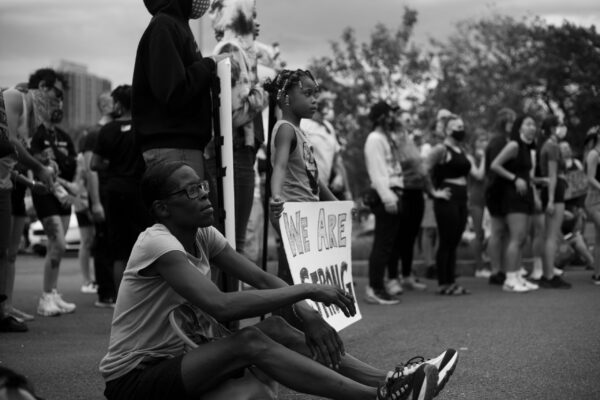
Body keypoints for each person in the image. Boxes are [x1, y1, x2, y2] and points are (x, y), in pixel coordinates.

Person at [99, 160, 459, 400]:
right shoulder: (157, 242)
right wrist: (309, 288)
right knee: (250, 340)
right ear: (163, 208)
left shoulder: (203, 235)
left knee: (275, 328)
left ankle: (390, 382)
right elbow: (220, 304)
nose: (205, 195)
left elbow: (259, 276)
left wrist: (306, 312)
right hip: (136, 379)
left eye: (204, 186)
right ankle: (379, 399)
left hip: (182, 360)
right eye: (191, 192)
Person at [265, 69, 339, 324]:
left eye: (315, 94)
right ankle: (283, 327)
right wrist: (276, 197)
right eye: (307, 94)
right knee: (290, 276)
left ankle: (300, 326)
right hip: (292, 212)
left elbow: (314, 177)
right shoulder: (285, 129)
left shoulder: (300, 132)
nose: (314, 100)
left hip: (307, 213)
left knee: (304, 274)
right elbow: (280, 166)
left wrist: (336, 203)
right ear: (286, 97)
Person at [133, 0, 229, 179]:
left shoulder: (174, 25)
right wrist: (209, 64)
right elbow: (174, 91)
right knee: (189, 207)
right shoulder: (165, 26)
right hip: (175, 149)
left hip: (180, 148)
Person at [0, 70, 57, 331]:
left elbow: (10, 162)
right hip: (3, 186)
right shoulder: (14, 97)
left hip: (6, 184)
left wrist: (32, 180)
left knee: (5, 253)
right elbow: (10, 143)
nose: (57, 102)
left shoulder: (32, 117)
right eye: (54, 94)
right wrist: (41, 169)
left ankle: (4, 309)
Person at [91, 85, 150, 290]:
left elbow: (94, 164)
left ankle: (120, 305)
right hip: (140, 192)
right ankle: (145, 299)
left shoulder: (107, 129)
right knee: (147, 246)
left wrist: (113, 164)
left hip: (115, 192)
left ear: (118, 103)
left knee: (120, 252)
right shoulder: (144, 128)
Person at [29, 88, 79, 316]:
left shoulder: (63, 136)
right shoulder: (36, 135)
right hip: (46, 194)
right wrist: (66, 186)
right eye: (52, 101)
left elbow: (74, 164)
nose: (57, 105)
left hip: (65, 197)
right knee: (58, 243)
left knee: (57, 248)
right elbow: (40, 168)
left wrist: (73, 187)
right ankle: (45, 297)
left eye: (60, 100)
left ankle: (53, 293)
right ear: (41, 106)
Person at [426, 113, 484, 295]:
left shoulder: (462, 151)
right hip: (446, 199)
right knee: (446, 240)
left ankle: (452, 282)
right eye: (457, 127)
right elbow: (423, 170)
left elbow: (477, 175)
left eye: (462, 127)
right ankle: (443, 283)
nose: (461, 130)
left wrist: (484, 157)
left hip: (461, 199)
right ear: (447, 130)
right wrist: (434, 192)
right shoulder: (440, 150)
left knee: (455, 241)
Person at [490, 115, 540, 293]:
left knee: (523, 238)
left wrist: (540, 180)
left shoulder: (526, 147)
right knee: (516, 238)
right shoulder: (514, 145)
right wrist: (514, 179)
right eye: (528, 124)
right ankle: (510, 279)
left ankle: (518, 275)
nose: (532, 127)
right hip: (513, 197)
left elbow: (525, 174)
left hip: (525, 195)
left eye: (534, 124)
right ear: (519, 128)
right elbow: (495, 165)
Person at [80, 92, 117, 308]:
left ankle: (113, 290)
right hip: (101, 193)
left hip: (111, 192)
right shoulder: (94, 133)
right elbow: (89, 170)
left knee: (114, 242)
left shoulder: (111, 130)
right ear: (104, 105)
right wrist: (95, 202)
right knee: (103, 242)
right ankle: (105, 294)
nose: (116, 106)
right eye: (112, 102)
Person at [484, 108, 516, 285]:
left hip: (502, 191)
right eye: (512, 121)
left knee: (505, 232)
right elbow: (495, 170)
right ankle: (496, 270)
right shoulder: (498, 141)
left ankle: (503, 268)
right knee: (497, 231)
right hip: (497, 191)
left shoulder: (505, 140)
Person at [301, 91, 352, 201]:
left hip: (325, 189)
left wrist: (340, 177)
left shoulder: (329, 127)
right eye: (327, 104)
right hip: (306, 189)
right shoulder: (303, 124)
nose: (330, 108)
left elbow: (337, 160)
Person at [584, 126, 600, 285]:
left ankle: (597, 274)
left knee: (599, 238)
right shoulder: (594, 154)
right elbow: (590, 178)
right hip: (593, 201)